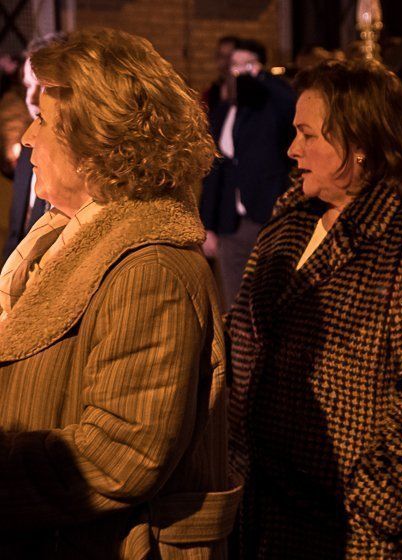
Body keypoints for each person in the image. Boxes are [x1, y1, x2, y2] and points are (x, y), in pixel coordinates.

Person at [227, 59, 402, 559]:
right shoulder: (292, 219)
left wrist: (369, 506)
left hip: (364, 537)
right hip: (269, 518)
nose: (292, 150)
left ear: (360, 143)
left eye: (308, 135)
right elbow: (249, 332)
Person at [0, 28, 240, 557]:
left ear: (96, 143)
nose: (27, 138)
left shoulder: (150, 269)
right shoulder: (59, 241)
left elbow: (124, 454)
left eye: (44, 121)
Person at [199, 38, 296, 307]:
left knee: (268, 300)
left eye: (248, 64)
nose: (240, 71)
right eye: (235, 65)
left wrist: (263, 80)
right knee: (233, 302)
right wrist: (208, 224)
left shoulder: (270, 102)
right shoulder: (224, 109)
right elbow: (216, 168)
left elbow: (290, 106)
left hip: (265, 216)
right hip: (230, 222)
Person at [3, 33, 66, 262]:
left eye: (39, 86)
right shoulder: (28, 144)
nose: (30, 98)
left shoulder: (73, 156)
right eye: (27, 85)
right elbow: (15, 235)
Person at [202, 35, 238, 115]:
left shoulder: (248, 94)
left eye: (229, 57)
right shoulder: (210, 93)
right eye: (222, 57)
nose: (225, 62)